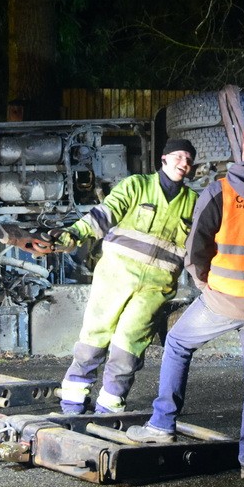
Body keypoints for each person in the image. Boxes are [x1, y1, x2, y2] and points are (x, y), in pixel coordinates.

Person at [126, 115, 244, 480]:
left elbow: (195, 249)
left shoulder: (221, 191)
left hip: (221, 299)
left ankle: (162, 424)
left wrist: (204, 284)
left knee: (178, 344)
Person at [57, 139, 199, 414]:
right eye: (180, 157)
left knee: (128, 345)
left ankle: (109, 407)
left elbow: (200, 245)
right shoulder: (136, 186)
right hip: (116, 275)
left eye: (189, 160)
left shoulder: (193, 203)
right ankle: (72, 403)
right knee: (94, 336)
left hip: (155, 288)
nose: (184, 163)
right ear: (164, 158)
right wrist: (74, 233)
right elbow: (104, 214)